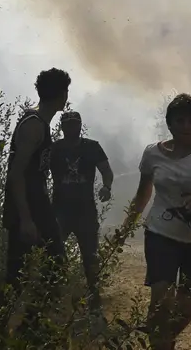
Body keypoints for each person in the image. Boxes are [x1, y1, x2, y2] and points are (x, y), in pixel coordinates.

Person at [125, 93, 191, 350]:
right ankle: (159, 342)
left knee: (186, 307)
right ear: (169, 123)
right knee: (161, 298)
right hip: (161, 233)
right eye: (180, 120)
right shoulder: (152, 153)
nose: (186, 126)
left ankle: (163, 339)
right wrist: (127, 224)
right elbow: (143, 193)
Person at [0, 67, 71, 336]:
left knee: (43, 268)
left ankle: (25, 328)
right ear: (62, 94)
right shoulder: (33, 125)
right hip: (27, 208)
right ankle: (16, 330)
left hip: (36, 205)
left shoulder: (38, 121)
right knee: (29, 271)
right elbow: (16, 174)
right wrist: (26, 219)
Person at [49, 109, 114, 308]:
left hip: (85, 209)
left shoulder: (91, 147)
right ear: (62, 127)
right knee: (53, 254)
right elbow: (41, 173)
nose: (71, 128)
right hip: (60, 210)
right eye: (67, 125)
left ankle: (94, 298)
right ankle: (55, 297)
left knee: (90, 256)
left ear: (79, 125)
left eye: (74, 124)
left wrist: (106, 187)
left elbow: (106, 171)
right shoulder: (54, 149)